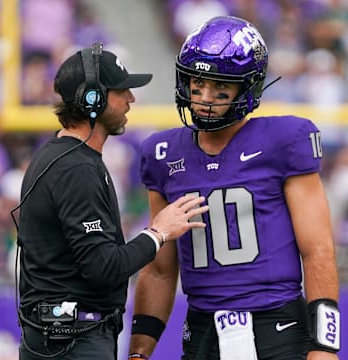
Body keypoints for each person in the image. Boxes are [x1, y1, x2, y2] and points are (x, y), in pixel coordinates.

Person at [128, 16, 341, 360]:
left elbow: (317, 250)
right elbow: (160, 268)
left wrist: (326, 346)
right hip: (201, 332)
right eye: (197, 84)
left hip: (276, 328)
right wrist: (139, 350)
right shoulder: (162, 153)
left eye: (220, 88)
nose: (204, 98)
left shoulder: (285, 139)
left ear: (248, 89)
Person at [13, 43, 209, 360]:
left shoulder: (62, 156)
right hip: (72, 344)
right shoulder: (76, 167)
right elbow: (104, 267)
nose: (131, 99)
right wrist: (158, 232)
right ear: (94, 99)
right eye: (121, 91)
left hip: (61, 339)